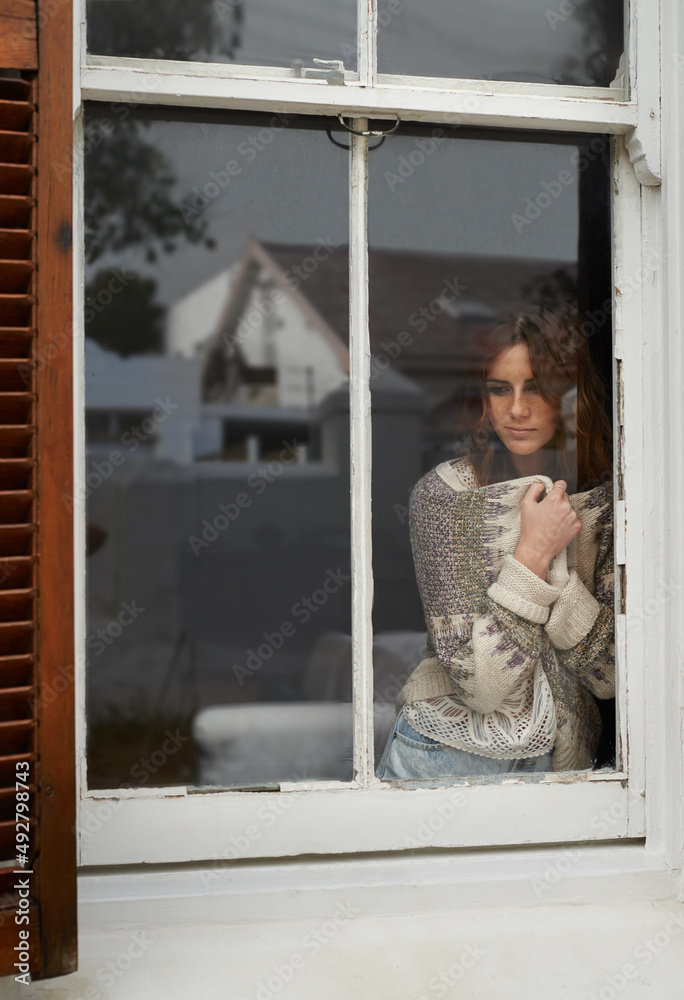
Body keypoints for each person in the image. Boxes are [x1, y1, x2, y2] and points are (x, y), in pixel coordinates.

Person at [377, 308, 615, 780]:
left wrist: (558, 574)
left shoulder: (608, 505)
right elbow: (482, 687)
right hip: (439, 756)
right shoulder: (445, 497)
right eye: (499, 388)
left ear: (571, 397)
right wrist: (532, 556)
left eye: (537, 387)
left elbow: (609, 675)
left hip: (560, 767)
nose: (518, 409)